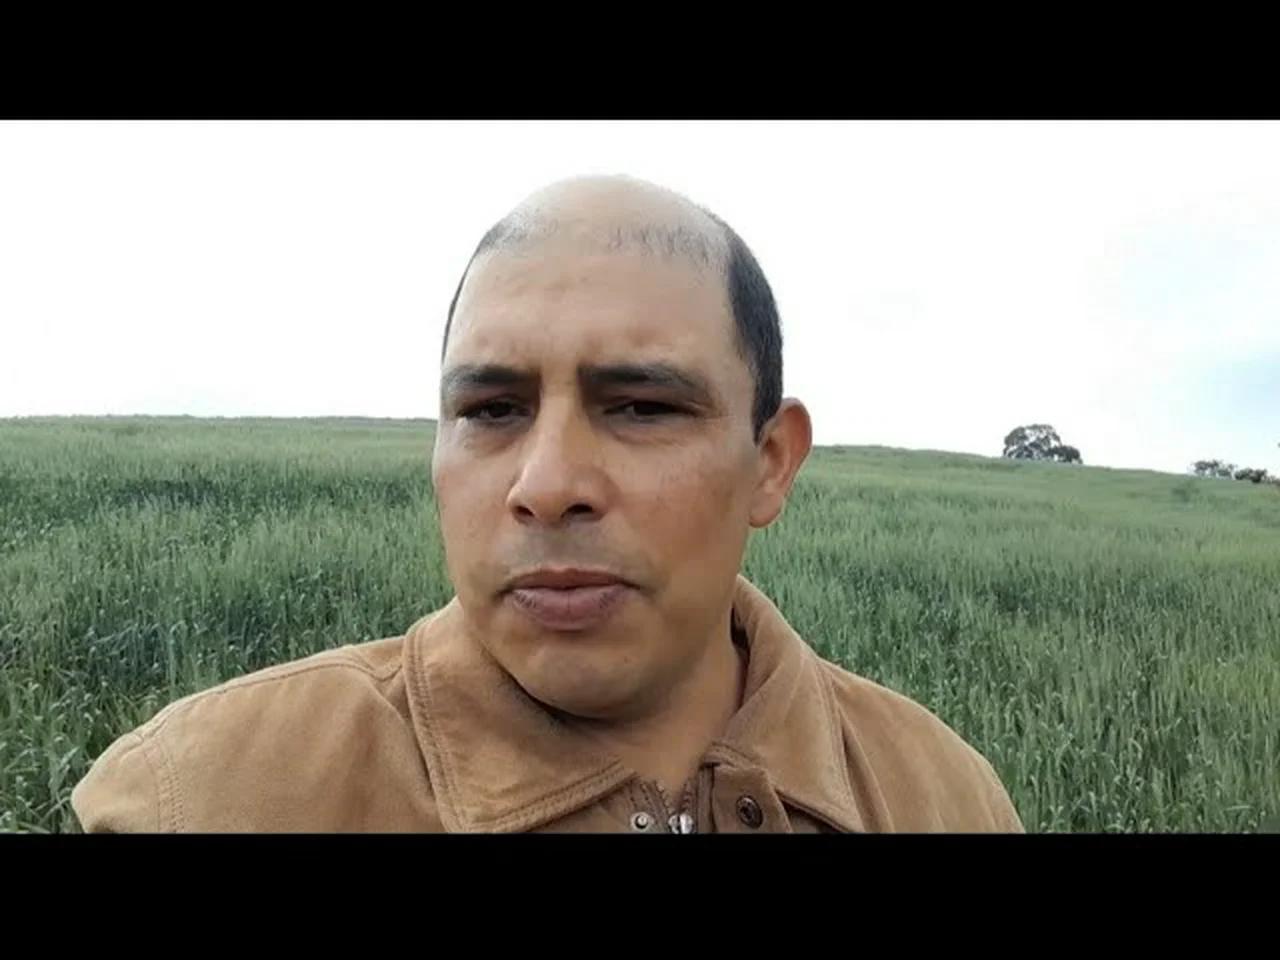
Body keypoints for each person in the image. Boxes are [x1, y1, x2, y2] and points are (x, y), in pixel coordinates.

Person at [72, 175, 1024, 833]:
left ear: (770, 464)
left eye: (642, 407)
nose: (547, 485)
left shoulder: (943, 797)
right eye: (492, 410)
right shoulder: (198, 796)